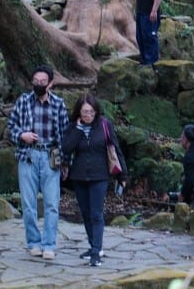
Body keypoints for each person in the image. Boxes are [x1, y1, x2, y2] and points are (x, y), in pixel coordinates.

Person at [7, 65, 69, 260]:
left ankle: (49, 244)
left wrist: (65, 162)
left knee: (51, 203)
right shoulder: (23, 101)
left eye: (42, 82)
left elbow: (65, 135)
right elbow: (10, 126)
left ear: (50, 83)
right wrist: (22, 135)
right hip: (28, 155)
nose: (39, 85)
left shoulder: (58, 104)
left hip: (51, 155)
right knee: (28, 203)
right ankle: (34, 242)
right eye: (36, 82)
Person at [61, 93, 127, 267]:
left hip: (100, 175)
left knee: (96, 213)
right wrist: (78, 130)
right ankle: (93, 246)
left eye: (91, 112)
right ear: (79, 113)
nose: (88, 115)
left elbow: (116, 149)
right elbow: (66, 148)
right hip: (79, 175)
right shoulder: (73, 127)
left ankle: (96, 251)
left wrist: (123, 175)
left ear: (96, 111)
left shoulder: (104, 125)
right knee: (85, 213)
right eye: (84, 112)